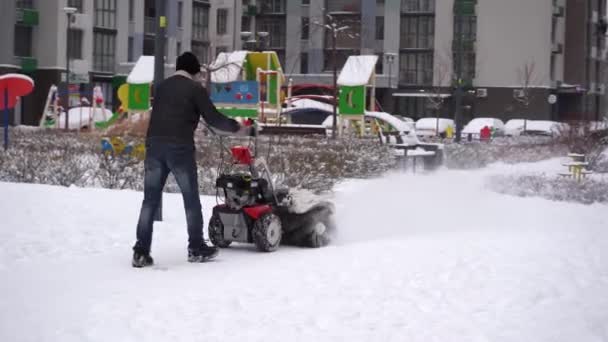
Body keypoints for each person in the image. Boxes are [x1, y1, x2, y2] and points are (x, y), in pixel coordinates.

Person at [132, 52, 254, 268]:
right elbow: (214, 118)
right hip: (179, 147)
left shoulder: (161, 87)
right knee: (190, 199)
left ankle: (141, 251)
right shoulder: (195, 89)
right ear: (193, 71)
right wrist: (239, 128)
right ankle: (196, 247)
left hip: (154, 146)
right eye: (198, 73)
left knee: (149, 200)